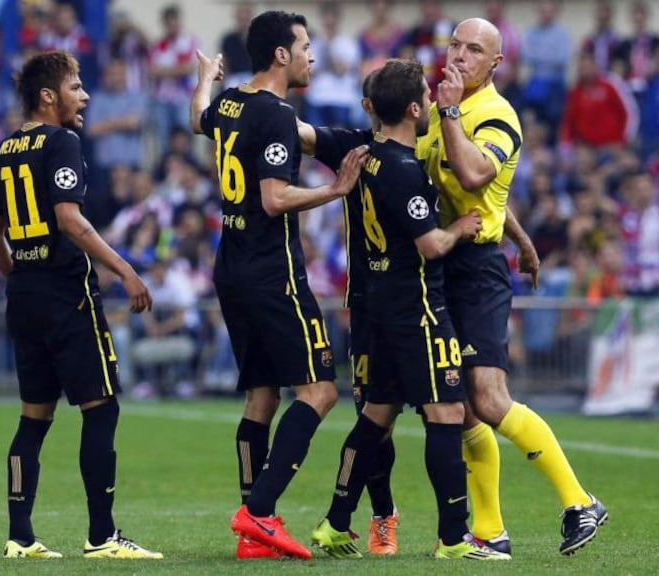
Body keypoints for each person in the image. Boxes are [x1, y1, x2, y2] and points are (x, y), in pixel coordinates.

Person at [308, 58, 508, 561]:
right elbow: (431, 245)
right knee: (446, 413)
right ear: (416, 108)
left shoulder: (363, 154)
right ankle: (454, 539)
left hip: (375, 307)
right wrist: (462, 228)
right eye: (428, 94)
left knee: (376, 415)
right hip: (417, 308)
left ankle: (335, 524)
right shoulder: (402, 170)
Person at [420, 18, 606, 555]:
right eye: (454, 44)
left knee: (488, 397)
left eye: (473, 50)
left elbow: (478, 175)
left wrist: (451, 111)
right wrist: (523, 240)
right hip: (448, 263)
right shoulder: (440, 108)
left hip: (476, 268)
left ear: (495, 63)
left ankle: (579, 501)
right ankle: (491, 534)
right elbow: (491, 197)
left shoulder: (495, 115)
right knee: (463, 408)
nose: (459, 56)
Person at [190, 10, 367, 560]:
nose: (313, 56)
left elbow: (199, 119)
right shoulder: (275, 115)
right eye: (306, 46)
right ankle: (259, 512)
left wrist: (205, 79)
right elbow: (274, 198)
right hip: (272, 271)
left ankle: (254, 536)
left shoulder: (231, 102)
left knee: (262, 395)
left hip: (232, 268)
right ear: (281, 55)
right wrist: (336, 188)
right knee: (320, 390)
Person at [0, 50, 162, 560]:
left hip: (25, 295)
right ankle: (103, 536)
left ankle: (20, 538)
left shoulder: (3, 150)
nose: (84, 96)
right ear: (48, 96)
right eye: (76, 86)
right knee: (101, 408)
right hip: (68, 294)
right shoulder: (62, 141)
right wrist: (125, 270)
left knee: (33, 418)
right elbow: (70, 219)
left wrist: (19, 275)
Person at [297, 70, 400, 555]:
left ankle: (465, 526)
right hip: (366, 304)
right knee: (374, 416)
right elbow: (300, 132)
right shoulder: (353, 146)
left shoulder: (432, 146)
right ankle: (383, 516)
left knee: (455, 415)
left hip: (422, 299)